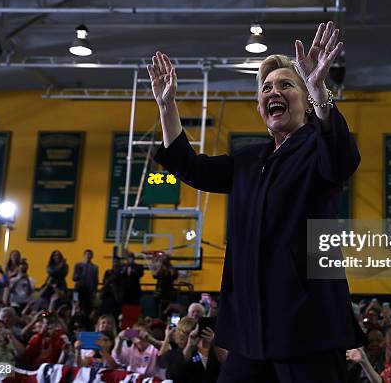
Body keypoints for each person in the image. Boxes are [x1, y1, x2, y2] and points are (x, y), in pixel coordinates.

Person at [150, 20, 365, 382]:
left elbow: (343, 158)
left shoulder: (318, 145)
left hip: (306, 326)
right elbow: (192, 168)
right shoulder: (249, 161)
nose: (272, 91)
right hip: (252, 330)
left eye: (285, 85)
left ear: (306, 101)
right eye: (265, 88)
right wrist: (167, 105)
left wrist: (321, 92)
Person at [72, 249, 99, 316]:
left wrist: (94, 291)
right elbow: (74, 278)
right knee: (75, 303)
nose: (88, 256)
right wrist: (79, 273)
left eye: (90, 254)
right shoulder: (78, 265)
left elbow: (95, 280)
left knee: (87, 306)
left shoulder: (95, 267)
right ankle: (74, 317)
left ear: (92, 256)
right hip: (77, 289)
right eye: (87, 254)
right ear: (84, 255)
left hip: (88, 290)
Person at [152, 255, 178, 320]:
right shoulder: (160, 270)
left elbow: (175, 275)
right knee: (159, 309)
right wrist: (158, 265)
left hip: (168, 291)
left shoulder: (171, 269)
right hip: (160, 291)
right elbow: (154, 275)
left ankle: (166, 318)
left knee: (169, 309)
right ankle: (159, 318)